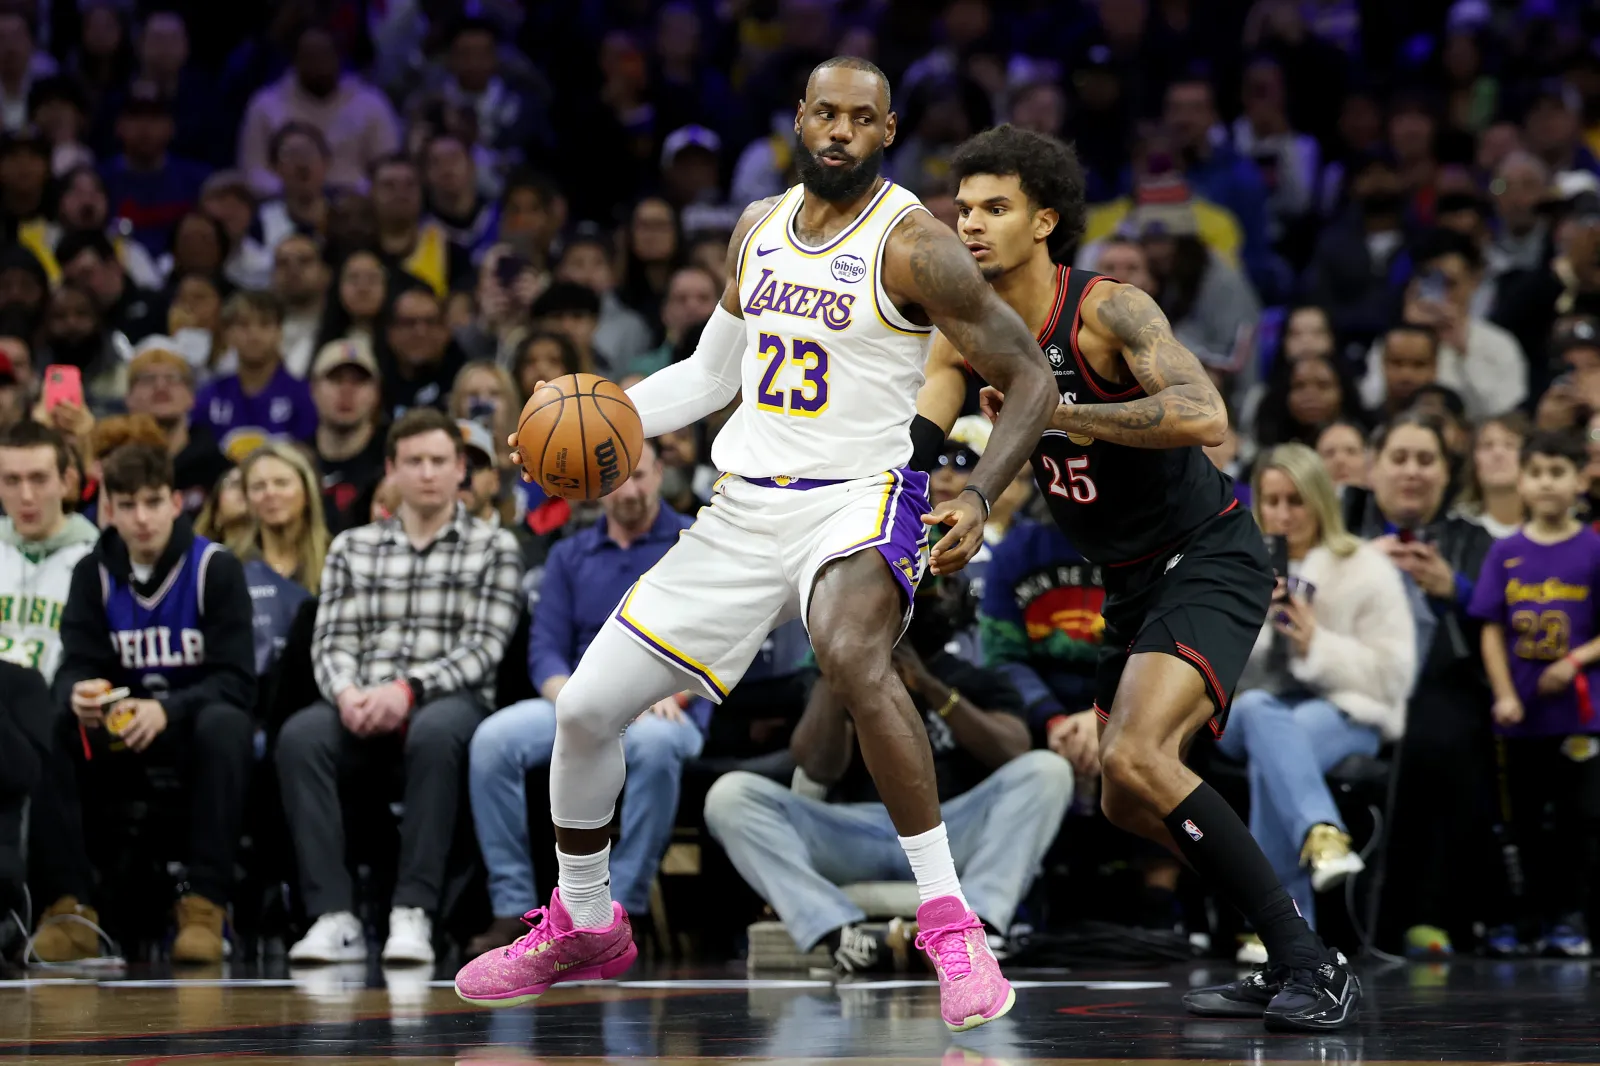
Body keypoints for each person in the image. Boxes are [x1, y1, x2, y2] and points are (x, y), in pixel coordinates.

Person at [454, 57, 1058, 1031]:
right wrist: (587, 417)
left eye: (861, 118)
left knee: (853, 655)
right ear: (800, 118)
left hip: (859, 497)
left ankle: (952, 923)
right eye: (826, 113)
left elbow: (1031, 377)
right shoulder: (757, 228)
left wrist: (981, 493)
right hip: (743, 506)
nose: (840, 131)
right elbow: (707, 377)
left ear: (887, 131)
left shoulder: (916, 245)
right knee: (586, 712)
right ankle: (586, 919)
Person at [914, 123, 1361, 1029]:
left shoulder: (1108, 310)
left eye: (995, 208)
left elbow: (1205, 414)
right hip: (1127, 580)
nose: (971, 225)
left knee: (1135, 756)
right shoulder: (962, 328)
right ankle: (1286, 936)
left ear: (1044, 221)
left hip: (1207, 553)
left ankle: (1311, 960)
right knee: (1124, 797)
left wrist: (1064, 414)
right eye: (963, 209)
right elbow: (921, 436)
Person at [704, 573, 1072, 974]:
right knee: (730, 796)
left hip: (952, 829)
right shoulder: (841, 675)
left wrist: (929, 686)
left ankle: (972, 930)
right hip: (853, 833)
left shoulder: (976, 679)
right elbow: (818, 766)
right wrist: (839, 667)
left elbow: (1013, 751)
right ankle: (842, 936)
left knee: (1047, 771)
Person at [279, 408, 522, 967]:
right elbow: (331, 642)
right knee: (300, 736)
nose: (427, 473)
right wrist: (347, 694)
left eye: (439, 461)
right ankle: (332, 916)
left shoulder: (494, 547)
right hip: (363, 699)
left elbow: (483, 648)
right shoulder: (352, 547)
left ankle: (413, 910)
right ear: (391, 470)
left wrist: (407, 690)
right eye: (414, 461)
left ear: (460, 469)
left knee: (436, 733)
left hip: (450, 700)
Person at [467, 440, 705, 953]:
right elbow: (545, 654)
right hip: (582, 699)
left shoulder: (695, 542)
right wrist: (579, 704)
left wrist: (676, 692)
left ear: (661, 473)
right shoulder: (569, 554)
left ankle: (623, 910)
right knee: (493, 741)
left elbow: (719, 637)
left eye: (641, 475)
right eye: (620, 479)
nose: (631, 490)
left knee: (656, 746)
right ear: (599, 485)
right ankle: (510, 905)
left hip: (662, 702)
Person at [41, 443, 255, 964]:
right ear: (108, 509)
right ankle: (71, 910)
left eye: (153, 502)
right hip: (119, 733)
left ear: (176, 503)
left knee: (226, 725)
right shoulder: (91, 573)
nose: (141, 518)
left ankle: (204, 906)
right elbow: (75, 662)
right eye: (128, 505)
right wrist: (78, 692)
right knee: (50, 724)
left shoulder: (214, 568)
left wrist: (168, 709)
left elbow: (236, 680)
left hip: (190, 729)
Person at [1225, 443, 1415, 956]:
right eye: (1271, 502)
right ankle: (1322, 833)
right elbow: (1216, 670)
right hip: (1248, 710)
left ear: (1320, 502)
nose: (1283, 515)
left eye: (1296, 501)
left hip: (1345, 713)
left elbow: (1394, 676)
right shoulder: (1238, 567)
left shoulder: (1365, 569)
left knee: (1274, 751)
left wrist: (1317, 644)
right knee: (1261, 715)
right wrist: (1256, 621)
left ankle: (1280, 931)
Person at [1469, 430, 1600, 958]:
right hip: (1519, 715)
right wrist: (1504, 694)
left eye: (1558, 472)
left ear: (1579, 481)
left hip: (1579, 716)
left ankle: (1569, 920)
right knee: (1519, 823)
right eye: (1538, 473)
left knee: (1578, 820)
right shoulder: (1506, 552)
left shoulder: (1593, 548)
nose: (1547, 483)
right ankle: (1519, 920)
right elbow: (1491, 628)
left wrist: (1574, 661)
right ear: (1521, 481)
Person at [0, 421, 98, 684]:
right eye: (11, 480)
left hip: (57, 703)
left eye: (39, 479)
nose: (26, 496)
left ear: (66, 482)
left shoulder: (95, 560)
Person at [194, 292, 317, 463]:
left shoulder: (303, 395)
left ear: (279, 332)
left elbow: (310, 455)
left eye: (265, 324)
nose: (254, 335)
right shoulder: (210, 395)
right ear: (228, 334)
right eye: (243, 325)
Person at [236, 443, 322, 676]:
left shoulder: (336, 557)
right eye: (258, 486)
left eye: (282, 483)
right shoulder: (230, 565)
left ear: (307, 492)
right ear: (247, 499)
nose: (270, 493)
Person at [309, 337, 385, 532]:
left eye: (359, 381)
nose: (346, 391)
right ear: (313, 388)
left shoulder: (391, 459)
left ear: (376, 392)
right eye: (336, 379)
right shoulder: (298, 458)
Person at [1452, 414, 1527, 539]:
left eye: (1510, 445)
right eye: (1487, 446)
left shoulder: (1553, 523)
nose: (1498, 453)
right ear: (1474, 461)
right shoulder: (1455, 530)